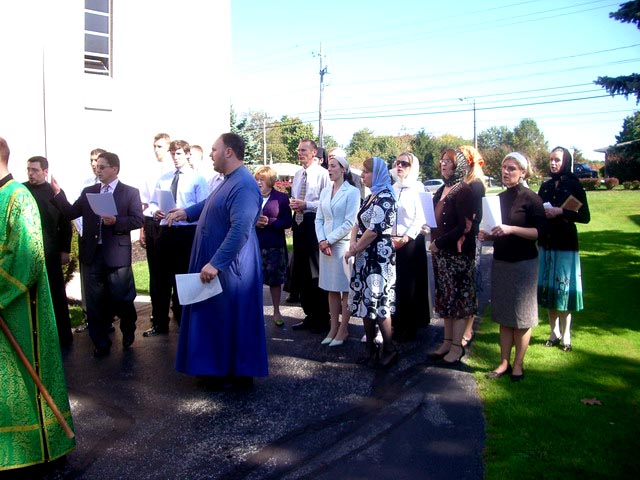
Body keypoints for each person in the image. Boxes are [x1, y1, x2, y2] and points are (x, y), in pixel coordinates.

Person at [168, 133, 267, 390]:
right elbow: (211, 203)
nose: (210, 154)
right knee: (216, 317)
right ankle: (216, 368)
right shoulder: (228, 180)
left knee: (231, 318)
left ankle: (235, 374)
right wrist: (186, 212)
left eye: (214, 149)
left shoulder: (244, 184)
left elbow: (240, 229)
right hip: (222, 264)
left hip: (232, 268)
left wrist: (216, 263)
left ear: (228, 152)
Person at [0, 136, 76, 471]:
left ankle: (37, 450)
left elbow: (28, 257)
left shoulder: (18, 197)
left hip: (19, 309)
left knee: (24, 380)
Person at [51, 152, 144, 357]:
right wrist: (58, 193)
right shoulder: (89, 191)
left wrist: (117, 221)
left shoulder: (129, 192)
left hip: (116, 254)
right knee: (94, 302)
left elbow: (138, 220)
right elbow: (70, 213)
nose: (97, 170)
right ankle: (101, 343)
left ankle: (128, 326)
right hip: (92, 253)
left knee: (121, 297)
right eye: (96, 166)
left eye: (102, 167)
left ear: (114, 169)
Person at [479, 152, 546, 382]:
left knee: (522, 318)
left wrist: (511, 229)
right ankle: (503, 362)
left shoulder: (531, 199)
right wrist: (487, 235)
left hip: (523, 265)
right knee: (504, 316)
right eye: (504, 167)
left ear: (523, 172)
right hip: (502, 262)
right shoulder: (498, 198)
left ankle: (518, 364)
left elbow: (540, 232)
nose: (506, 172)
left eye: (511, 169)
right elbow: (498, 231)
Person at [143, 140, 208, 337]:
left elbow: (204, 206)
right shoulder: (164, 178)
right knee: (160, 279)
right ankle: (159, 322)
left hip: (186, 233)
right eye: (173, 154)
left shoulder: (197, 179)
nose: (175, 157)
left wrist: (185, 212)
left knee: (184, 279)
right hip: (165, 231)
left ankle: (184, 322)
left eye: (179, 153)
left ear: (187, 154)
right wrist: (155, 211)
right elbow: (152, 203)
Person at [345, 157, 397, 368]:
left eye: (366, 172)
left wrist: (354, 248)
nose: (362, 175)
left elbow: (374, 230)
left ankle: (390, 349)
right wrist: (353, 244)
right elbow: (357, 223)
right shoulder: (370, 196)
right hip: (364, 255)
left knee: (379, 300)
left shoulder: (386, 197)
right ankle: (370, 348)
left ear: (377, 174)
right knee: (365, 301)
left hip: (378, 257)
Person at [538, 146, 590, 352]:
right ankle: (554, 332)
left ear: (566, 162)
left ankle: (566, 334)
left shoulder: (574, 185)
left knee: (563, 289)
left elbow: (585, 216)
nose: (553, 163)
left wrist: (560, 211)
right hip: (546, 241)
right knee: (549, 288)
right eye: (551, 159)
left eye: (557, 160)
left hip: (565, 242)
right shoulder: (546, 186)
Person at [427, 149, 476, 365]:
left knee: (458, 301)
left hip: (457, 255)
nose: (443, 164)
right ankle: (447, 342)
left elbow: (464, 226)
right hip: (441, 255)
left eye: (448, 161)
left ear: (458, 166)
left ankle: (457, 347)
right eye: (442, 160)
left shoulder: (463, 190)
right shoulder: (441, 189)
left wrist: (439, 243)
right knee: (445, 299)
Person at [24, 156, 74, 348]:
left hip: (50, 252)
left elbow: (65, 222)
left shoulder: (54, 193)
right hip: (28, 253)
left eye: (35, 170)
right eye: (28, 169)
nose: (31, 174)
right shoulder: (22, 191)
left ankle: (63, 337)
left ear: (45, 171)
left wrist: (65, 250)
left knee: (56, 294)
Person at [315, 150, 360, 346]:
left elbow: (350, 221)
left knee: (345, 289)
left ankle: (343, 329)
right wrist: (322, 240)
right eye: (329, 166)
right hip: (325, 246)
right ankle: (333, 327)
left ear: (343, 169)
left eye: (333, 166)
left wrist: (329, 240)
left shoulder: (352, 192)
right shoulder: (325, 191)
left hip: (341, 246)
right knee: (331, 288)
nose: (329, 169)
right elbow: (319, 219)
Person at [290, 139, 331, 333]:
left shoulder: (323, 175)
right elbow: (296, 196)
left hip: (314, 224)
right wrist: (295, 204)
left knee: (316, 271)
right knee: (302, 271)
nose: (300, 153)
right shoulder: (298, 174)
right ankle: (309, 315)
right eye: (299, 150)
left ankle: (322, 317)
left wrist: (307, 205)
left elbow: (327, 202)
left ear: (314, 152)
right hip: (299, 224)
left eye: (304, 150)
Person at [390, 152, 429, 342]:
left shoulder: (417, 188)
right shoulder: (393, 187)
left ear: (412, 167)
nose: (400, 166)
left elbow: (420, 218)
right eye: (398, 162)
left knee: (409, 286)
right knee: (394, 284)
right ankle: (396, 324)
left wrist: (405, 238)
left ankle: (409, 326)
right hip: (392, 242)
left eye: (405, 164)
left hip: (411, 242)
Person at [139, 133, 173, 333]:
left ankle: (180, 313)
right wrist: (143, 230)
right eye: (154, 146)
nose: (156, 150)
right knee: (156, 274)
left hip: (174, 224)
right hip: (153, 222)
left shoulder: (175, 171)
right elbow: (146, 203)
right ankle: (159, 317)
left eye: (160, 146)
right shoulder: (149, 171)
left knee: (176, 273)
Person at [74, 148, 107, 334]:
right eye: (92, 161)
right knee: (88, 282)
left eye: (98, 161)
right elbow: (76, 211)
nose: (94, 164)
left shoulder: (111, 185)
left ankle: (107, 318)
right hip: (87, 239)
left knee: (106, 284)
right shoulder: (86, 186)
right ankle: (89, 318)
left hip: (106, 243)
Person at [254, 166, 292, 327]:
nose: (258, 182)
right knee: (253, 281)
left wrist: (269, 221)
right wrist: (254, 222)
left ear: (270, 181)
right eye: (256, 179)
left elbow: (288, 222)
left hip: (274, 246)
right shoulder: (251, 196)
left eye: (262, 179)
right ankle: (254, 313)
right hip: (254, 245)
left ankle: (276, 311)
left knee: (275, 282)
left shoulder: (281, 198)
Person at [458, 145, 487, 347]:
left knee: (470, 284)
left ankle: (468, 329)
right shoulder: (462, 184)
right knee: (460, 285)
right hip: (459, 238)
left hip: (469, 239)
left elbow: (474, 216)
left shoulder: (475, 185)